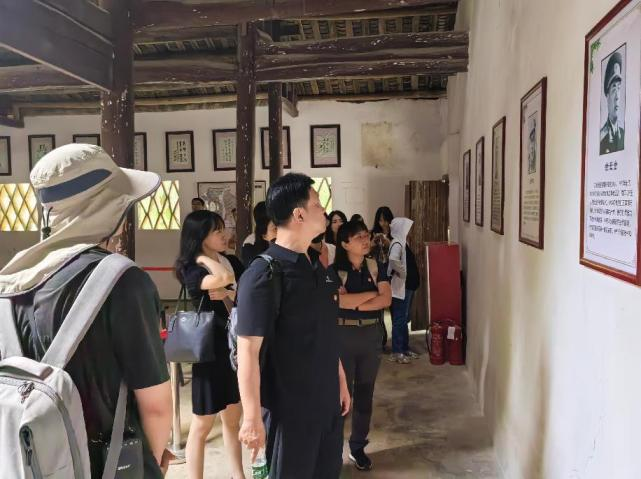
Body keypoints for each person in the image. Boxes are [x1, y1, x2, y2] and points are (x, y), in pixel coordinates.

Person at [0, 144, 173, 477]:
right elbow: (156, 407)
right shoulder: (123, 282)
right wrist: (147, 465)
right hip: (110, 466)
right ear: (107, 208)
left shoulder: (10, 285)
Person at [236, 173, 351, 479]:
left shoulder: (316, 268)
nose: (324, 210)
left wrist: (339, 378)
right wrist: (251, 418)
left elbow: (324, 332)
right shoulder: (264, 275)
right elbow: (247, 352)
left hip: (327, 405)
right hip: (290, 413)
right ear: (299, 214)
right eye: (317, 204)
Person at [175, 210, 246, 479]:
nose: (224, 235)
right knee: (202, 423)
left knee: (232, 418)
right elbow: (223, 278)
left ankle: (238, 474)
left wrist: (229, 292)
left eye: (222, 229)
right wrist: (204, 258)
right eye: (217, 231)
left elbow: (246, 292)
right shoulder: (191, 268)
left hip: (234, 347)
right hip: (209, 351)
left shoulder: (231, 260)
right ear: (200, 236)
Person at [332, 221, 391, 471]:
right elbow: (338, 303)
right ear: (345, 243)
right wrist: (371, 295)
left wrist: (354, 301)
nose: (365, 241)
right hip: (342, 337)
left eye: (366, 236)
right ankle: (333, 451)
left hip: (370, 336)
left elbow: (386, 299)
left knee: (365, 394)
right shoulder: (334, 271)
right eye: (358, 237)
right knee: (340, 396)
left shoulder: (376, 266)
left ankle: (357, 447)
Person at [388, 217, 421, 364]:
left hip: (408, 287)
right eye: (407, 228)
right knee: (399, 319)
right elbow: (393, 260)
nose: (410, 231)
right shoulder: (397, 243)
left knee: (404, 319)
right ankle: (397, 351)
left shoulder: (402, 242)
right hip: (402, 287)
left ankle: (404, 348)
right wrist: (403, 273)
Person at [600, 51, 625, 155]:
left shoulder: (624, 134)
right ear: (607, 95)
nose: (617, 97)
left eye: (619, 88)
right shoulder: (601, 138)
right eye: (614, 89)